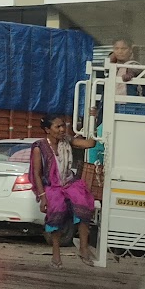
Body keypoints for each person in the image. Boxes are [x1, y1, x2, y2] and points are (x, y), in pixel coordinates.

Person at [31, 114, 98, 266]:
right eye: (58, 126)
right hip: (52, 186)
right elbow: (37, 174)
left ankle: (83, 249)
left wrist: (92, 118)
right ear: (48, 130)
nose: (62, 129)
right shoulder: (39, 147)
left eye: (63, 126)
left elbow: (90, 143)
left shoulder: (67, 140)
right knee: (56, 210)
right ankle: (56, 254)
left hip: (69, 182)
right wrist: (43, 197)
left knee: (83, 204)